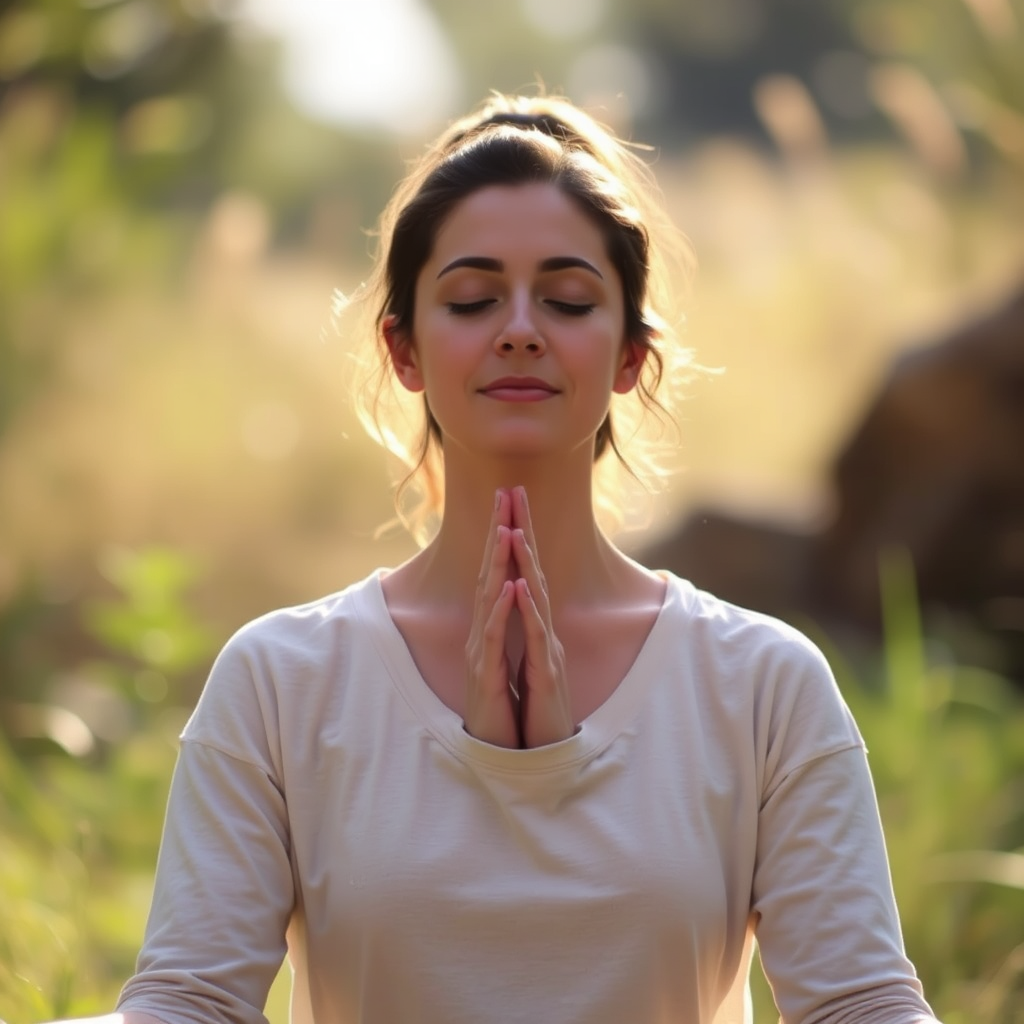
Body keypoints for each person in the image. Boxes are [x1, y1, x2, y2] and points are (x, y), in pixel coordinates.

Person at [57, 93, 942, 1024]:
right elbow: (188, 1004)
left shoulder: (762, 687)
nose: (520, 328)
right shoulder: (283, 683)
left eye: (567, 300)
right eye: (473, 299)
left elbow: (861, 1004)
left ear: (631, 355)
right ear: (403, 348)